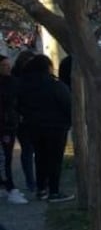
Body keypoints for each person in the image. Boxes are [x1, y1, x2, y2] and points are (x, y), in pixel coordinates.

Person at [17, 54, 73, 203]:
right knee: (55, 160)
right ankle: (54, 191)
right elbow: (68, 105)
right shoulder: (55, 85)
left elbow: (18, 106)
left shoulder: (24, 85)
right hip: (56, 127)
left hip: (34, 127)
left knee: (40, 158)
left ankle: (41, 189)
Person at [0, 56, 27, 204]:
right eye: (4, 65)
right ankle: (10, 188)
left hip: (10, 124)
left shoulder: (13, 82)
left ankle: (5, 186)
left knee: (6, 157)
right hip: (4, 126)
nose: (7, 68)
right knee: (5, 158)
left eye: (8, 65)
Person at [11, 50, 36, 197]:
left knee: (30, 150)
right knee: (28, 150)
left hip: (30, 118)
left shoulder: (27, 77)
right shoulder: (17, 79)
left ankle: (33, 181)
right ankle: (31, 182)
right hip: (23, 119)